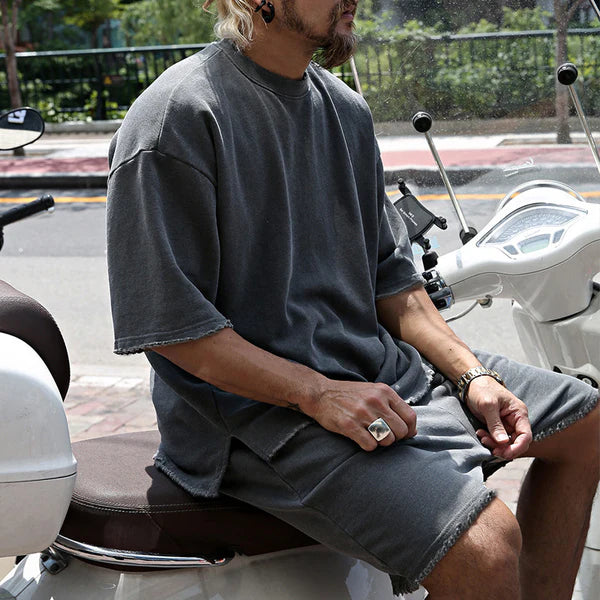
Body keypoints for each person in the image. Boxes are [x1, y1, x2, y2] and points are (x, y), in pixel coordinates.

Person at [106, 1, 599, 598]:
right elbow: (175, 330)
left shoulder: (344, 109)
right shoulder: (176, 117)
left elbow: (394, 282)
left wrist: (471, 375)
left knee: (588, 423)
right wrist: (319, 393)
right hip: (255, 418)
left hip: (376, 371)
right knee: (488, 544)